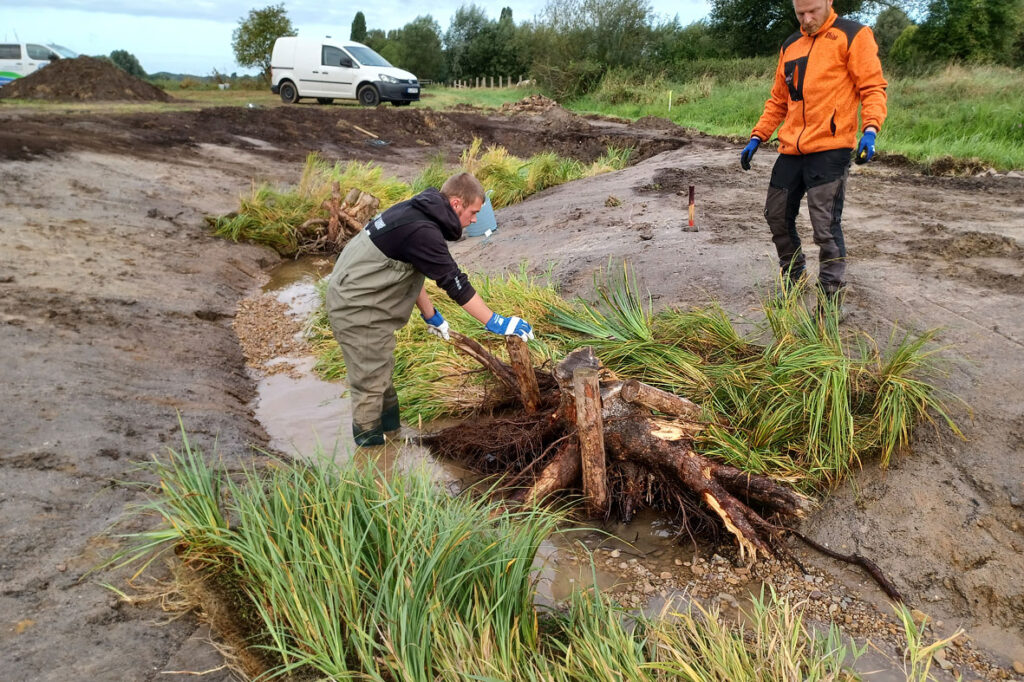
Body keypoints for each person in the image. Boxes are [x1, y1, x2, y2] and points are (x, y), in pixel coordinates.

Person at [325, 172, 535, 446]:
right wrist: (495, 321)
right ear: (457, 203)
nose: (473, 220)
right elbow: (455, 282)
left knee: (381, 378)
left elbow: (410, 267)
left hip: (361, 297)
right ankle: (372, 460)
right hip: (357, 307)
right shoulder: (423, 229)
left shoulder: (418, 212)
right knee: (369, 386)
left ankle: (393, 440)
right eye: (472, 212)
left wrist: (430, 314)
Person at [740, 0, 887, 312]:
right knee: (776, 215)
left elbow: (872, 88)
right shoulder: (791, 45)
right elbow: (779, 100)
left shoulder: (853, 35)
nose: (806, 19)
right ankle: (793, 281)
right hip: (792, 149)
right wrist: (758, 136)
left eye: (813, 11)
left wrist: (870, 129)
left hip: (831, 148)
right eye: (800, 13)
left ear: (828, 3)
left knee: (825, 226)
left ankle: (831, 302)